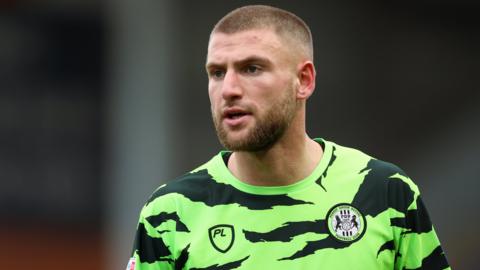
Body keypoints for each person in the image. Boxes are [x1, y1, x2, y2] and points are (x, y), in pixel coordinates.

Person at [127, 5, 450, 270]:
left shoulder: (385, 193)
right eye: (217, 72)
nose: (229, 90)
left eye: (252, 68)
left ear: (304, 80)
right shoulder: (170, 212)